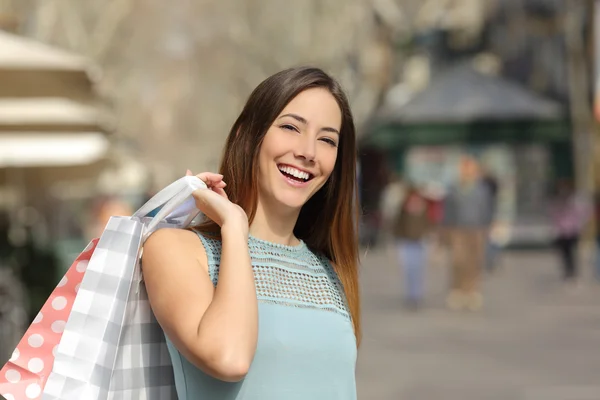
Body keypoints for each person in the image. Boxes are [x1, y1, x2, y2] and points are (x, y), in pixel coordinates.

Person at [141, 67, 360, 399]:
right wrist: (233, 228)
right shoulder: (176, 249)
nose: (308, 152)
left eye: (327, 139)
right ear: (248, 136)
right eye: (290, 127)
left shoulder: (330, 272)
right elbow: (228, 358)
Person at [441, 155, 494, 311]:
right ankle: (457, 292)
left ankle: (472, 292)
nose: (467, 172)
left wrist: (488, 227)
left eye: (470, 168)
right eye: (464, 168)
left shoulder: (482, 190)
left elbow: (487, 209)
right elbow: (447, 211)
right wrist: (445, 231)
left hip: (477, 230)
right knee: (458, 261)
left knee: (475, 262)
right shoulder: (453, 189)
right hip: (457, 230)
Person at [391, 183, 435, 309]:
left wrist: (429, 237)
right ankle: (410, 295)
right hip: (406, 242)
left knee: (419, 270)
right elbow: (398, 224)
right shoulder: (403, 208)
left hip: (420, 242)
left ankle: (417, 295)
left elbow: (428, 223)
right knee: (408, 270)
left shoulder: (424, 208)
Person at [549, 179, 590, 286]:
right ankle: (568, 272)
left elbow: (583, 213)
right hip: (562, 232)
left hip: (572, 231)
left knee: (571, 253)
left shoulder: (574, 202)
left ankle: (572, 273)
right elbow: (554, 217)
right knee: (565, 254)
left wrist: (580, 226)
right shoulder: (557, 202)